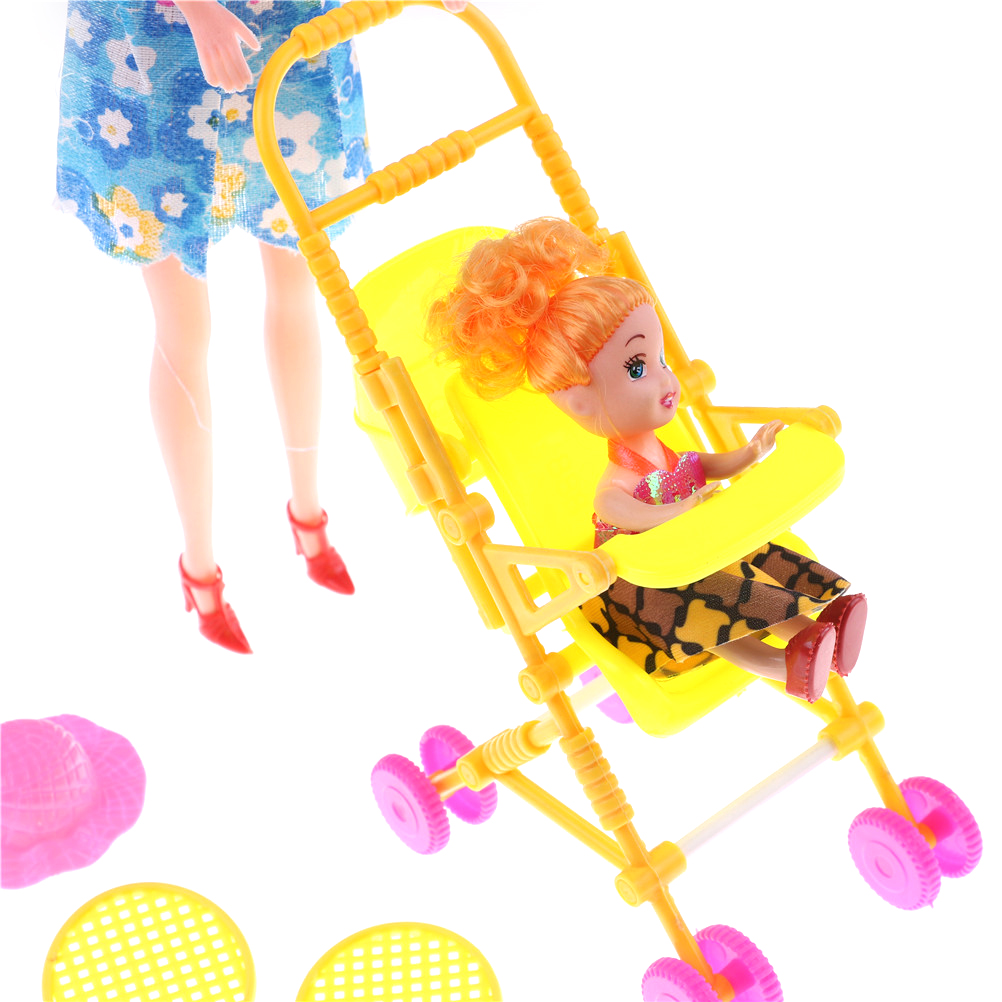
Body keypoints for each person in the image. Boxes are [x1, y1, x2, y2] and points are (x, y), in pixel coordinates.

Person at [56, 1, 468, 652]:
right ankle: (200, 568)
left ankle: (310, 517)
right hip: (156, 45)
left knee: (298, 284)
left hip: (289, 30)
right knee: (183, 327)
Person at [428, 217, 867, 701]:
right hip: (640, 590)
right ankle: (784, 665)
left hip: (695, 550)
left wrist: (749, 454)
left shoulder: (663, 453)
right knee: (710, 604)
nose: (665, 378)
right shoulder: (618, 479)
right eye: (638, 368)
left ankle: (817, 627)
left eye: (660, 361)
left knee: (754, 554)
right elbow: (616, 509)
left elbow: (702, 464)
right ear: (580, 402)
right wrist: (680, 510)